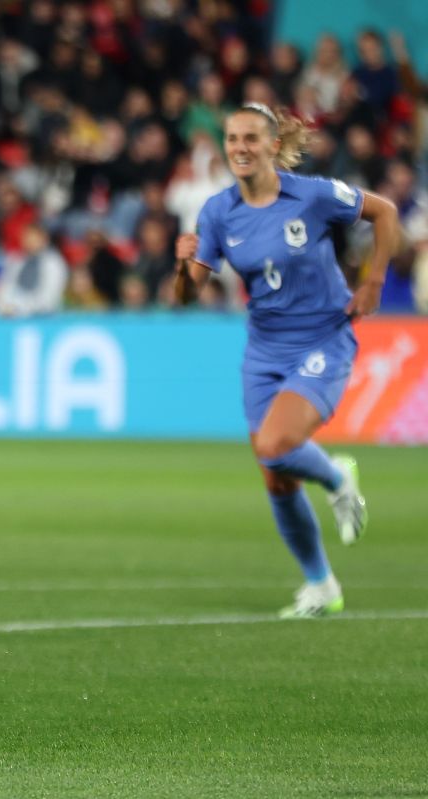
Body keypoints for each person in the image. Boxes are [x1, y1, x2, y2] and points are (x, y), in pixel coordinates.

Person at [174, 102, 398, 619]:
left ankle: (339, 477)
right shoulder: (217, 212)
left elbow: (384, 211)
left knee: (276, 446)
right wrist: (184, 265)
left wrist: (373, 281)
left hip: (323, 339)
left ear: (274, 145)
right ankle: (321, 586)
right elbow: (187, 296)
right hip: (264, 349)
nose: (240, 149)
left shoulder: (313, 195)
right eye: (232, 139)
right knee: (275, 476)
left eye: (251, 138)